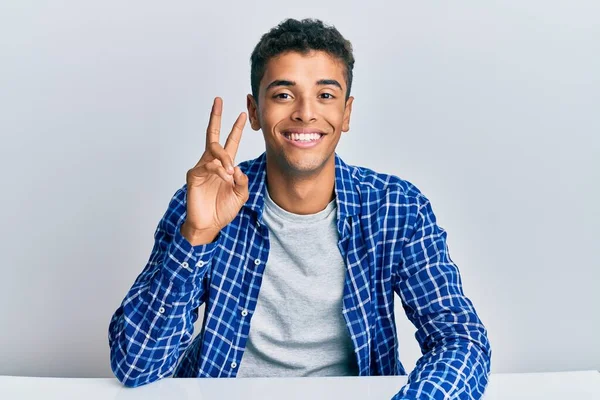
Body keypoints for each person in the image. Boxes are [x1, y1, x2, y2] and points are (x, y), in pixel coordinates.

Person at [108, 18, 491, 399]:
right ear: (255, 111)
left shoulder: (396, 207)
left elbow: (461, 340)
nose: (306, 113)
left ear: (346, 113)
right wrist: (196, 237)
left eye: (325, 95)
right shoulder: (205, 198)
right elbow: (136, 366)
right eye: (283, 95)